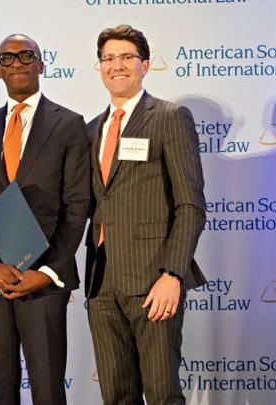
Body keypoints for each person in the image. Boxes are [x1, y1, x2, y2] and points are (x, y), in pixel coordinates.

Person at [0, 34, 90, 405]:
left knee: (47, 386)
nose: (17, 63)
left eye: (26, 55)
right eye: (7, 58)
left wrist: (46, 272)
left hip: (43, 278)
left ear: (41, 65)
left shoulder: (69, 124)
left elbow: (78, 205)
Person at [85, 24, 207, 404]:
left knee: (162, 394)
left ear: (145, 65)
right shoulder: (91, 129)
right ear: (100, 66)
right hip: (100, 283)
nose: (116, 65)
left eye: (126, 57)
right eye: (108, 58)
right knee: (116, 395)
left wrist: (173, 273)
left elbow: (190, 204)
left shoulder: (170, 117)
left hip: (153, 279)